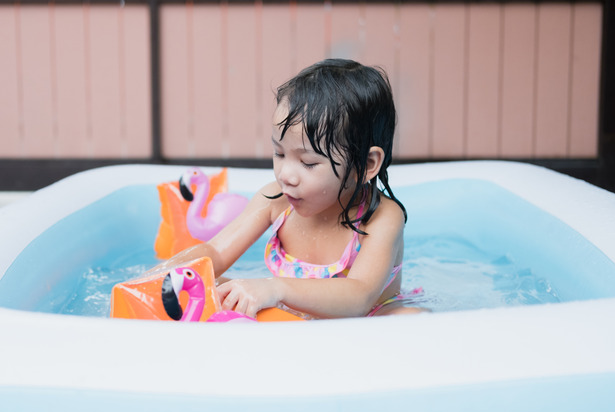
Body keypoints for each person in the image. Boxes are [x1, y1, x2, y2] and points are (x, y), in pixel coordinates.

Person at [150, 58, 423, 319]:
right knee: (206, 280)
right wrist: (160, 274)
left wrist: (274, 287)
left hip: (366, 319)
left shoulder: (383, 218)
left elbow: (359, 296)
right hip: (288, 313)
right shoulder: (275, 201)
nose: (286, 176)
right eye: (279, 154)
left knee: (411, 318)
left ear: (366, 164)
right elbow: (217, 253)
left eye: (308, 162)